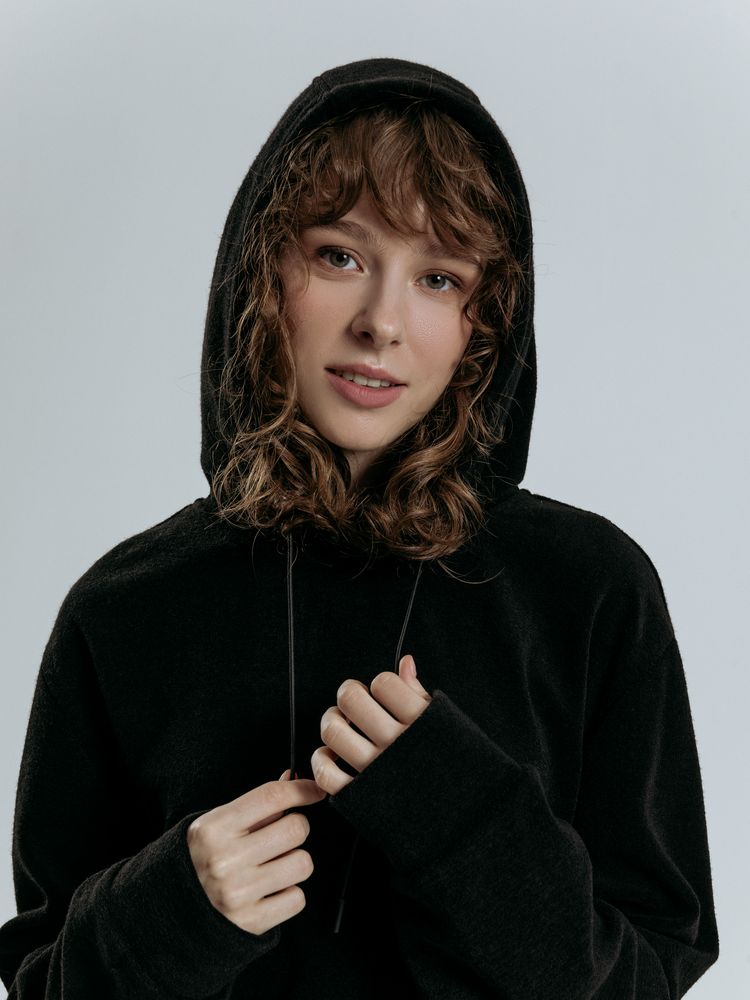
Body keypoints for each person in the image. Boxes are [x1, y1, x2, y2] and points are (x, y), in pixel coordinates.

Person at [0, 57, 719, 999]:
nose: (382, 322)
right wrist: (170, 911)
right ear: (264, 270)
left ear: (485, 324)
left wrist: (466, 820)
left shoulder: (589, 590)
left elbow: (653, 975)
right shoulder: (124, 609)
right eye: (339, 256)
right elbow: (41, 982)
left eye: (439, 277)